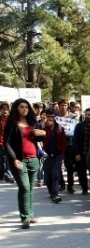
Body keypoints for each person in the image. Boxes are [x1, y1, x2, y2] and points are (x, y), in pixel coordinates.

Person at [3, 98, 46, 229]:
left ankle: (30, 214)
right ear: (16, 108)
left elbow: (38, 138)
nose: (25, 109)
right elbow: (6, 143)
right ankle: (25, 218)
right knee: (25, 187)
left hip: (33, 159)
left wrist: (42, 133)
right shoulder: (12, 123)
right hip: (19, 160)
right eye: (21, 107)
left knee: (31, 188)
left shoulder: (32, 122)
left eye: (26, 107)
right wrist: (14, 159)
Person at [41, 108, 67, 203]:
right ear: (46, 116)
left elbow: (64, 142)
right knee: (47, 175)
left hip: (58, 154)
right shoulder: (42, 127)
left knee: (55, 174)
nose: (51, 118)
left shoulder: (60, 128)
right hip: (46, 155)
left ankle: (55, 194)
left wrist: (62, 153)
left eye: (52, 116)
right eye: (49, 116)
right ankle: (51, 191)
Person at [73, 108, 90, 196]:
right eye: (86, 114)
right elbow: (75, 141)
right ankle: (84, 188)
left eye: (89, 115)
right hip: (82, 153)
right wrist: (77, 153)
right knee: (82, 173)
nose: (87, 116)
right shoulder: (79, 126)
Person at [0, 101, 16, 183]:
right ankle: (2, 175)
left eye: (6, 109)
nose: (5, 111)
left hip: (8, 144)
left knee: (8, 160)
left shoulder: (11, 121)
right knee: (1, 161)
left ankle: (8, 175)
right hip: (0, 144)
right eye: (3, 109)